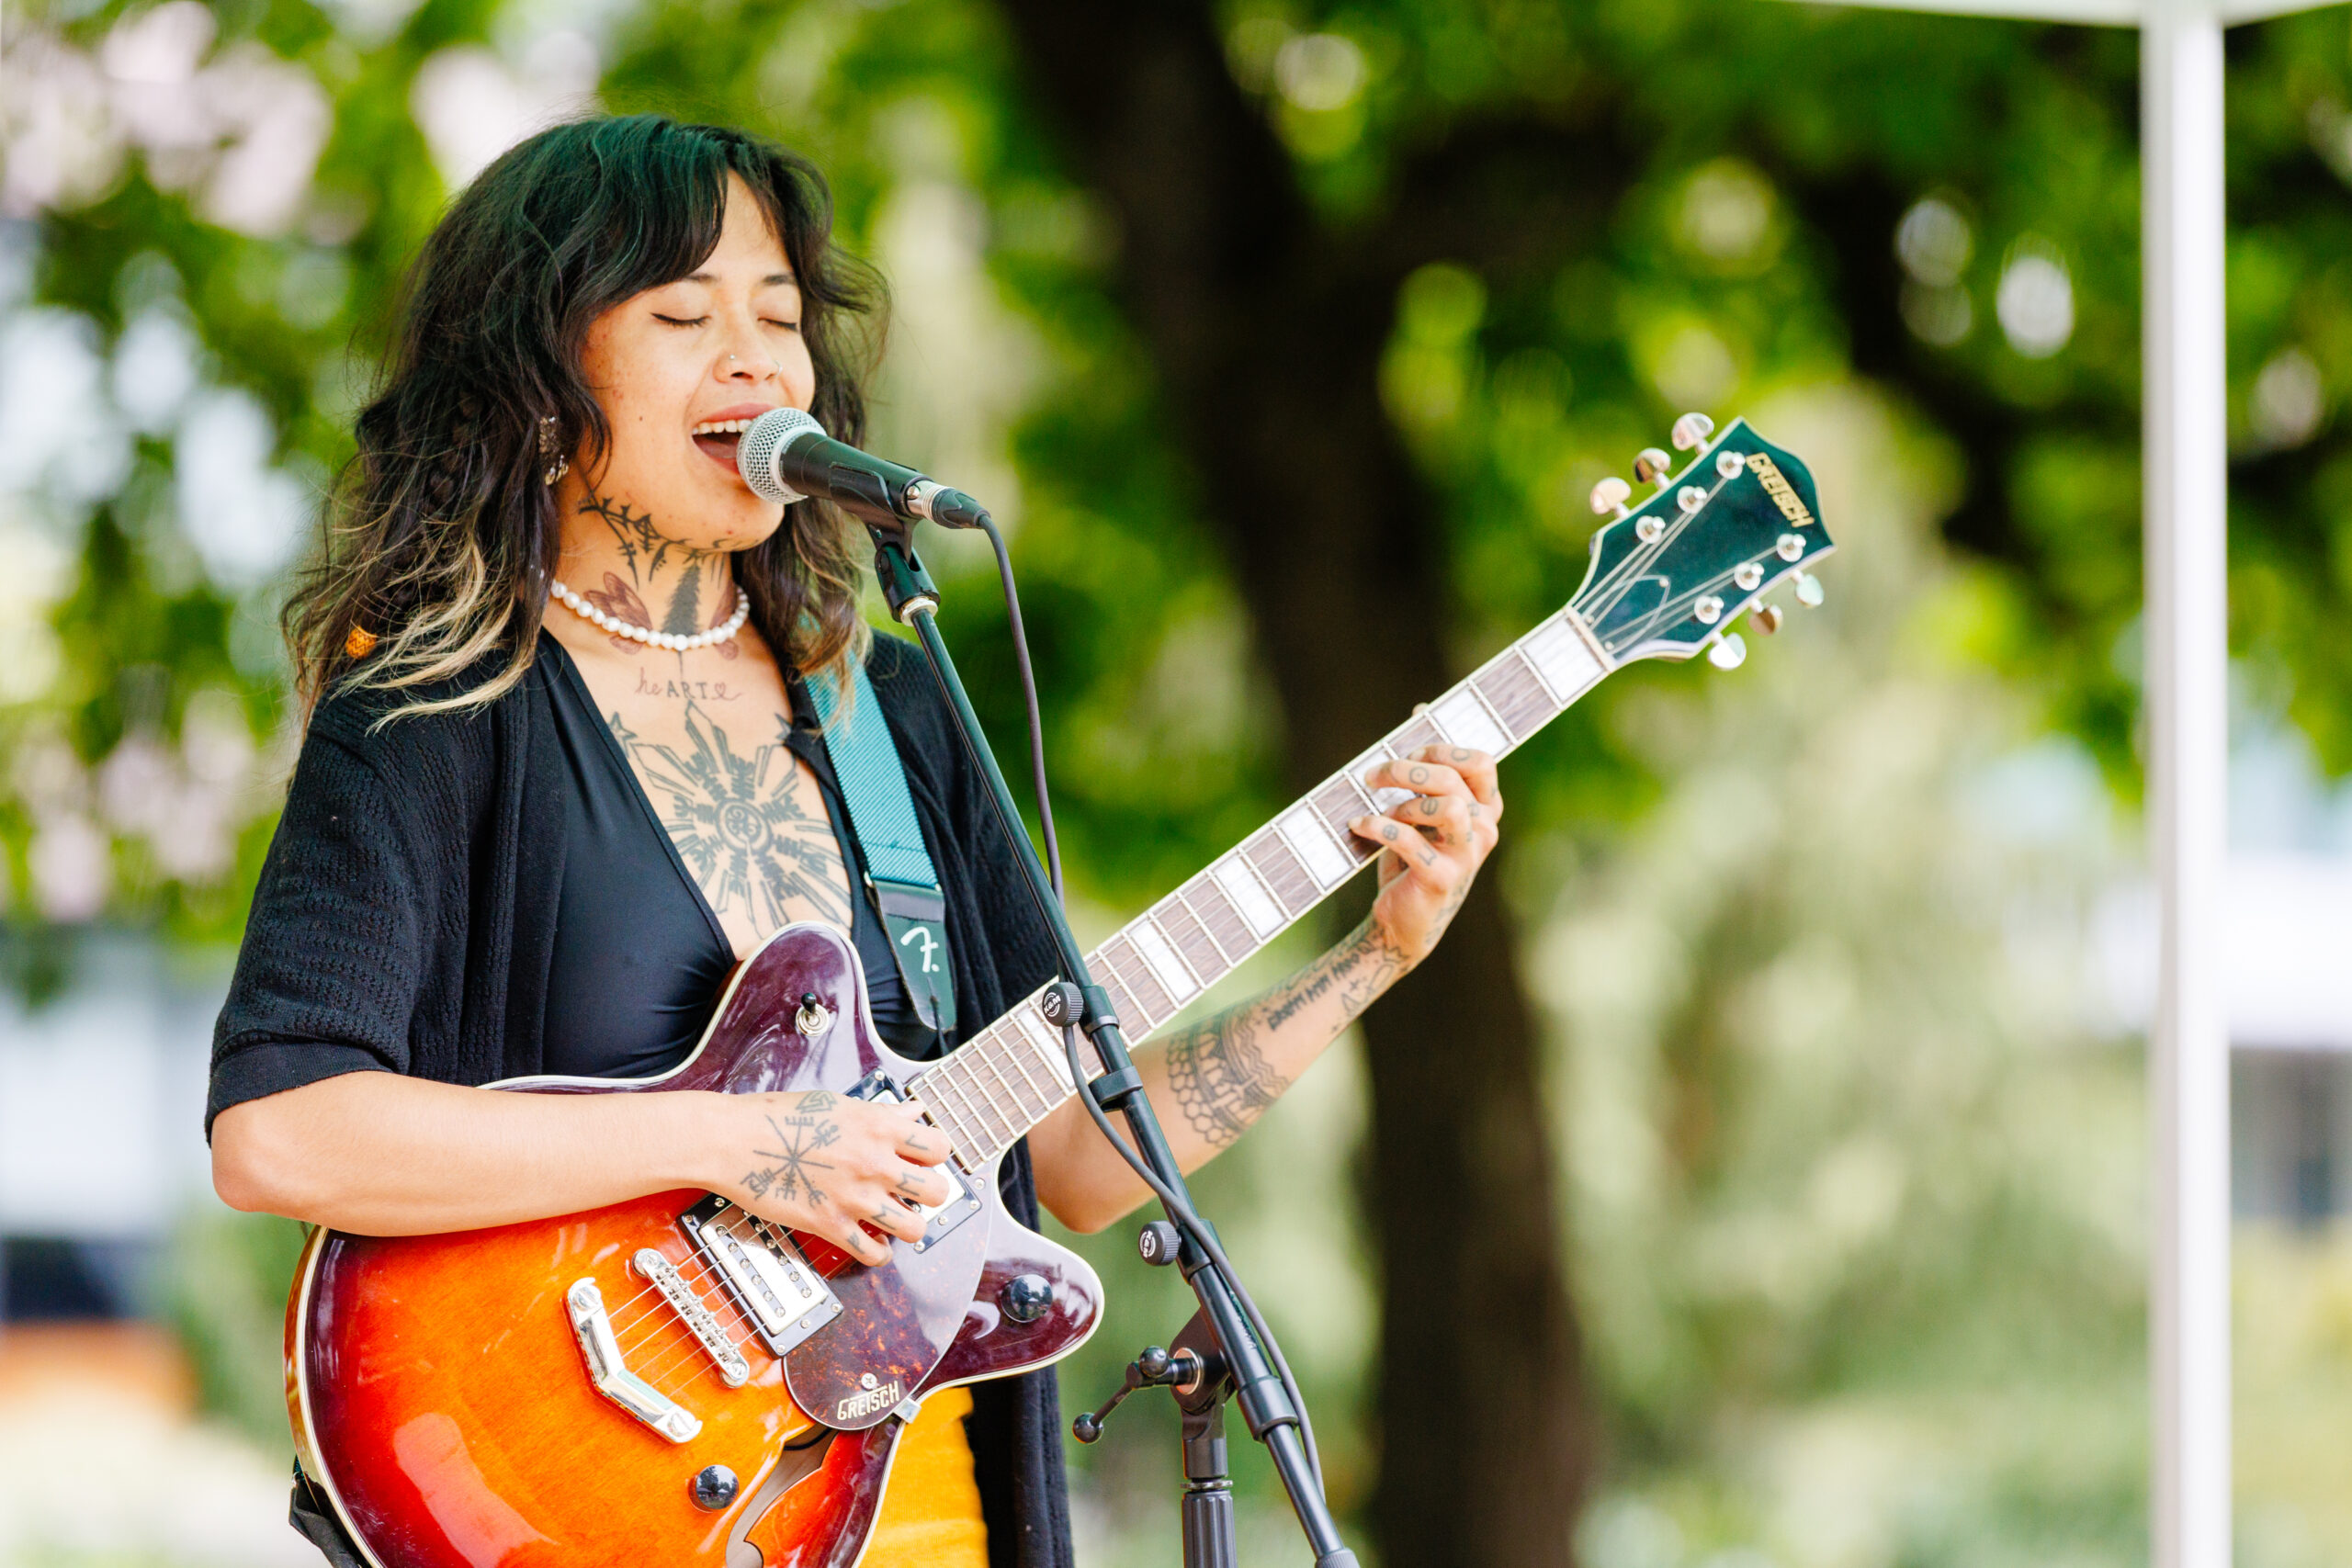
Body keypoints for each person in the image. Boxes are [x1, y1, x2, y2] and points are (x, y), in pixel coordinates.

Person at [207, 113, 1503, 1568]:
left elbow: (1075, 1164)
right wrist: (748, 1143)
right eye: (685, 316)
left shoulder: (894, 715)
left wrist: (1370, 958)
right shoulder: (434, 711)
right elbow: (282, 1130)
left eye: (779, 317)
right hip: (566, 1501)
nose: (757, 362)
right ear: (535, 378)